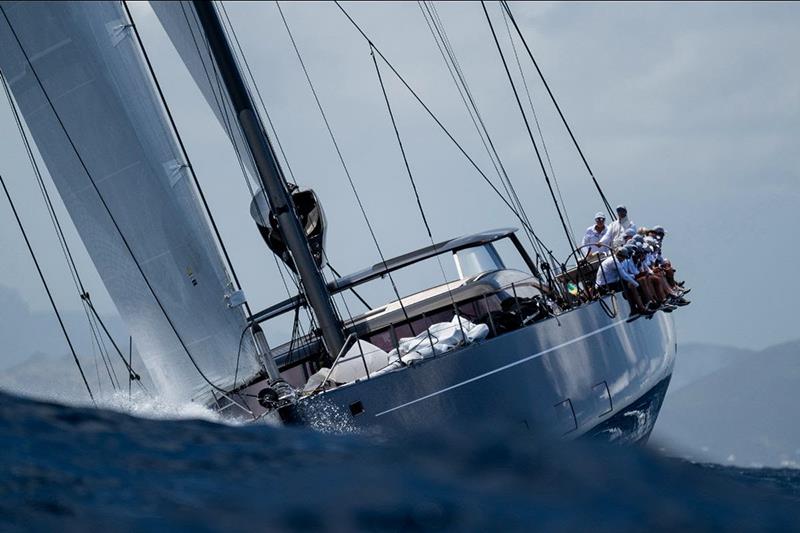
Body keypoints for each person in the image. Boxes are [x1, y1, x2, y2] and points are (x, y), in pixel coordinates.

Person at [595, 247, 648, 318]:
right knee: (628, 284)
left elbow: (625, 275)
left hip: (607, 284)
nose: (624, 260)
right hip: (604, 287)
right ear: (621, 256)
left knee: (628, 283)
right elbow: (624, 276)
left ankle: (641, 304)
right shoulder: (614, 261)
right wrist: (637, 285)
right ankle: (637, 309)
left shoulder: (614, 259)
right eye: (624, 258)